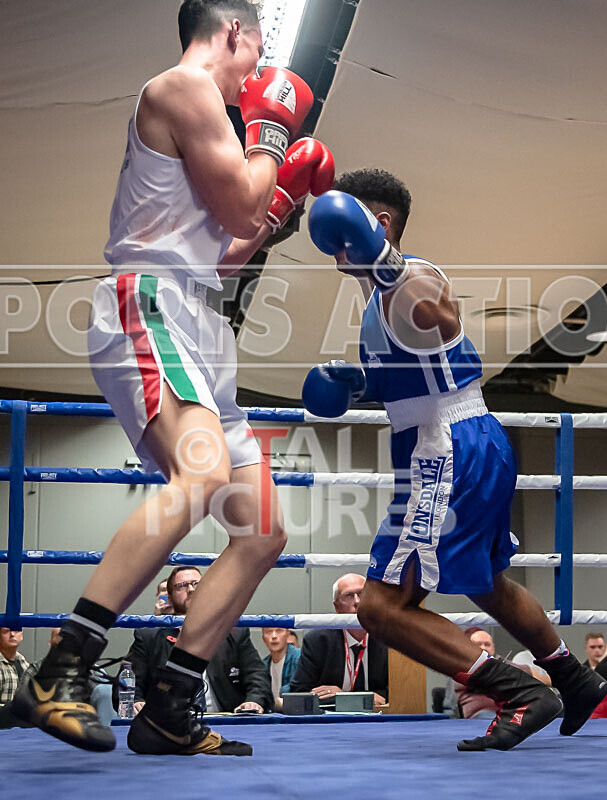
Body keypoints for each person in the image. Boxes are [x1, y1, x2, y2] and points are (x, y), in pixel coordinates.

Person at [14, 0, 333, 757]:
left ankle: (168, 705)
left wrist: (276, 205)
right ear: (235, 31)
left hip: (198, 316)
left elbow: (226, 249)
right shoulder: (184, 87)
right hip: (150, 304)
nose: (258, 70)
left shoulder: (209, 119)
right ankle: (62, 669)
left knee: (261, 533)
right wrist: (272, 143)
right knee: (200, 477)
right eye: (258, 49)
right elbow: (240, 204)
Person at [302, 169, 607, 751]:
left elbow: (441, 316)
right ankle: (573, 677)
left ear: (376, 224)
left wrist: (384, 261)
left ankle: (520, 691)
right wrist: (360, 385)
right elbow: (426, 364)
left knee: (381, 608)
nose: (333, 250)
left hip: (445, 450)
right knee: (486, 582)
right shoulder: (376, 300)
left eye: (344, 233)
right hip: (468, 440)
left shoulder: (410, 277)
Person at [124, 567, 273, 715]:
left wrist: (254, 701)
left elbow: (257, 675)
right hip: (169, 721)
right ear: (169, 597)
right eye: (182, 585)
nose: (191, 589)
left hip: (226, 719)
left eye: (197, 584)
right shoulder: (149, 636)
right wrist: (136, 701)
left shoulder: (233, 632)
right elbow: (128, 680)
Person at [290, 574, 388, 706]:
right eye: (349, 595)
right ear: (337, 607)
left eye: (362, 593)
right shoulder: (318, 641)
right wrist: (360, 698)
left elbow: (399, 692)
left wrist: (343, 695)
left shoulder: (389, 639)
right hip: (332, 717)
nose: (357, 601)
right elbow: (299, 694)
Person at [444, 628, 549, 719]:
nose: (483, 648)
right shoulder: (462, 667)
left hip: (510, 711)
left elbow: (539, 678)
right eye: (478, 644)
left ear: (493, 648)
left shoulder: (500, 663)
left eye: (487, 644)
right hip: (482, 714)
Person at [261, 626, 301, 709]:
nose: (274, 636)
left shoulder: (300, 658)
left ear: (288, 635)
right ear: (263, 639)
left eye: (279, 631)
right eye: (269, 632)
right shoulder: (262, 665)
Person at [0, 628, 29, 708]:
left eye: (16, 630)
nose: (12, 634)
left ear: (21, 635)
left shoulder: (23, 662)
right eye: (6, 631)